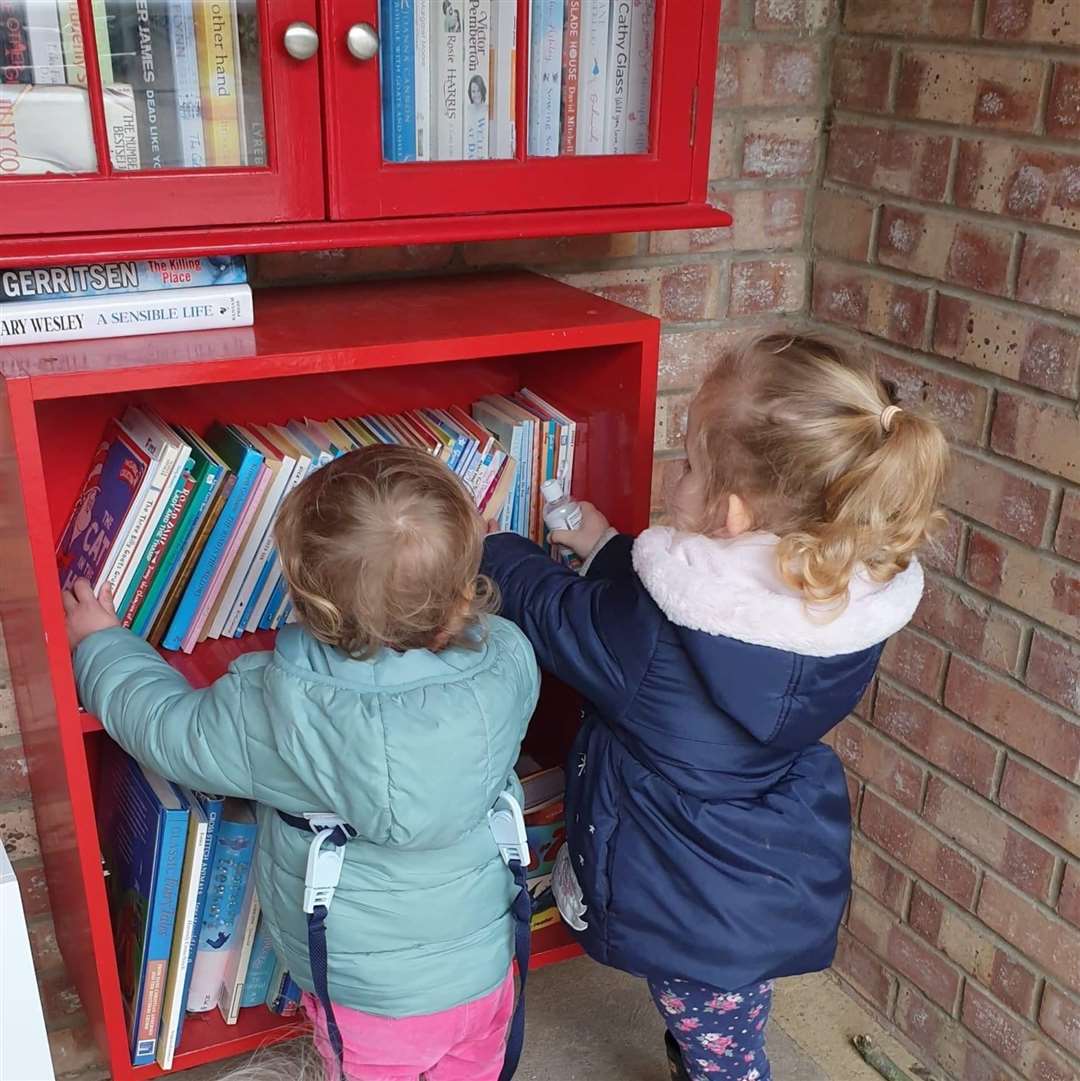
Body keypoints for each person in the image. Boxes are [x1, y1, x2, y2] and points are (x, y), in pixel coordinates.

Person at [482, 334, 948, 1081]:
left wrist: (493, 547)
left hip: (686, 891)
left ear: (730, 515)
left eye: (691, 464)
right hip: (750, 870)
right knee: (721, 1012)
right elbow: (683, 610)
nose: (677, 475)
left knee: (722, 1046)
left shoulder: (654, 643)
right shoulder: (834, 596)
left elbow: (561, 616)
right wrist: (606, 545)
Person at [64, 444, 540, 1081]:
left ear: (307, 594)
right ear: (463, 580)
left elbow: (169, 731)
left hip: (366, 997)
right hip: (485, 972)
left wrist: (101, 646)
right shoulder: (507, 665)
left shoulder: (276, 706)